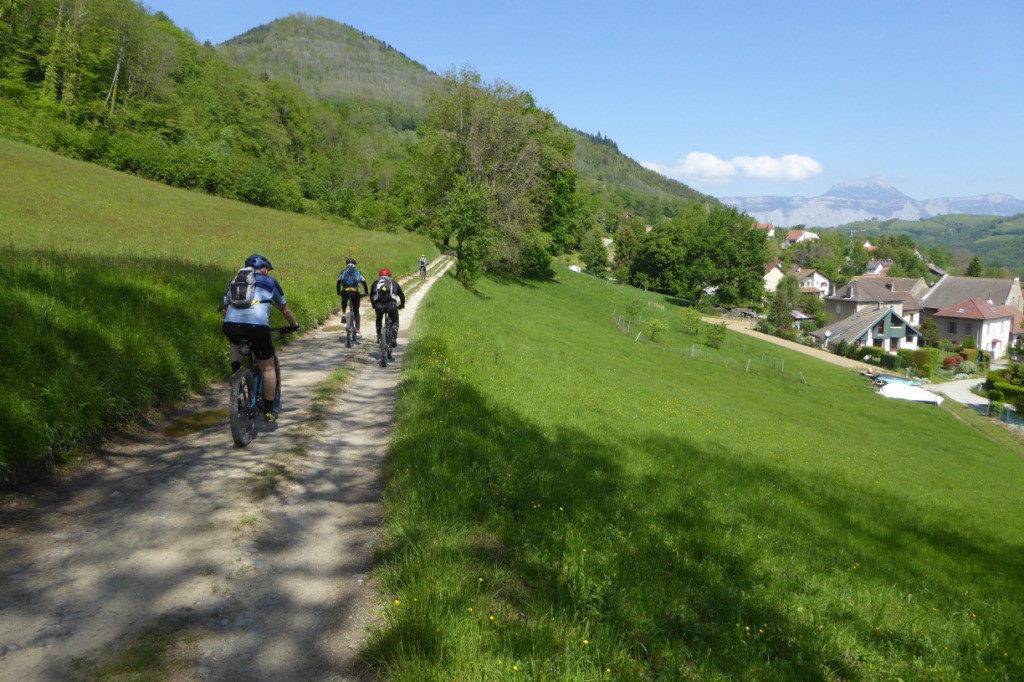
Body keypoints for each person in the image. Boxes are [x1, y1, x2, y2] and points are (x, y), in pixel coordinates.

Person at [222, 254, 298, 422]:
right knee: (268, 368)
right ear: (263, 269)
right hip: (257, 326)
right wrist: (294, 325)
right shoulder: (270, 282)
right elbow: (284, 309)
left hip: (231, 325)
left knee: (235, 341)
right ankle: (269, 411)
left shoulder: (235, 281)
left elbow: (225, 308)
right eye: (268, 270)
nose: (268, 273)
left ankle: (236, 373)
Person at [369, 268, 406, 348]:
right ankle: (393, 338)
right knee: (395, 321)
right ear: (390, 275)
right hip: (391, 304)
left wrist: (373, 304)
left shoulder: (375, 283)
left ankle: (379, 337)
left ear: (379, 276)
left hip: (378, 305)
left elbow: (371, 295)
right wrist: (402, 305)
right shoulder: (393, 283)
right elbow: (402, 295)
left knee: (379, 319)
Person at [336, 257, 369, 334]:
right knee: (356, 311)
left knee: (344, 299)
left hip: (345, 292)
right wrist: (366, 293)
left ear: (346, 264)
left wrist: (338, 292)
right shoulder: (358, 272)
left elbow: (338, 283)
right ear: (355, 264)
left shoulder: (343, 272)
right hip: (355, 293)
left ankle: (344, 313)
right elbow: (364, 284)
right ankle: (357, 329)